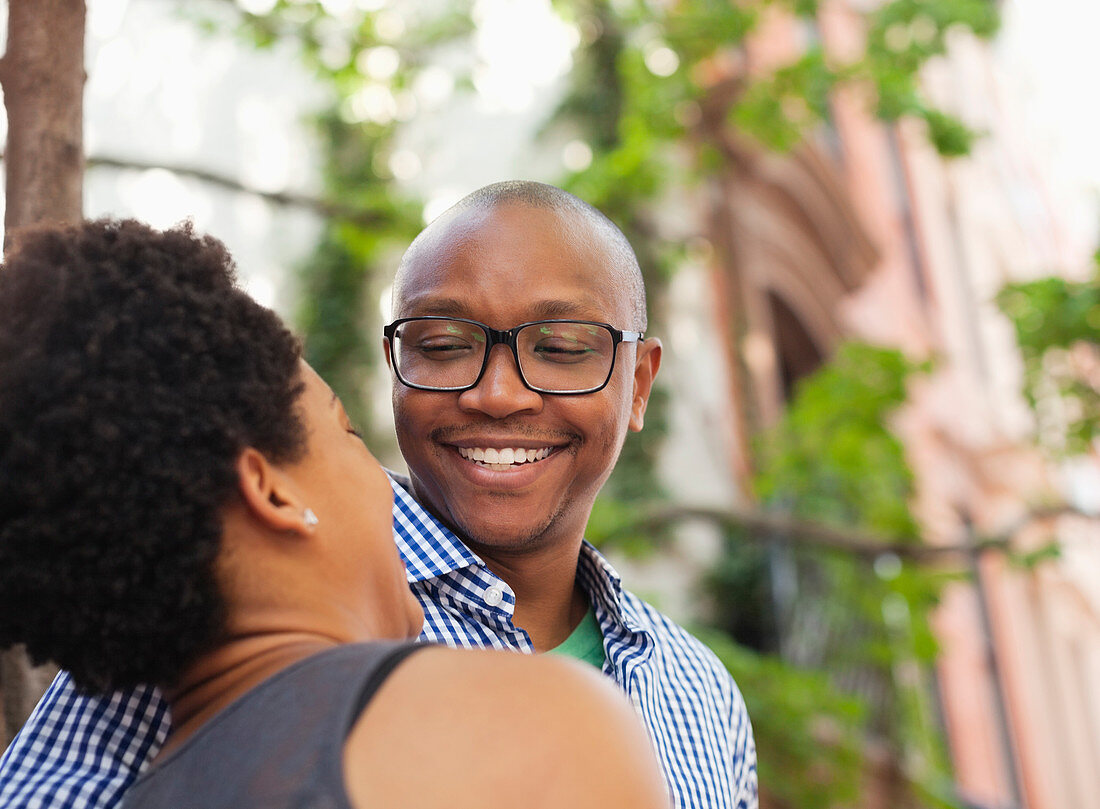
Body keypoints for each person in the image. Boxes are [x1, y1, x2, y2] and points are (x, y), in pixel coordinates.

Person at [0, 183, 757, 808]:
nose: (498, 394)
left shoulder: (700, 691)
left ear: (640, 383)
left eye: (560, 349)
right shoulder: (196, 609)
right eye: (441, 345)